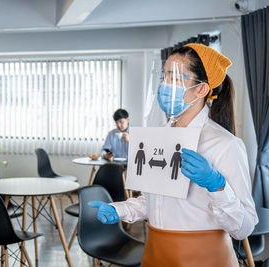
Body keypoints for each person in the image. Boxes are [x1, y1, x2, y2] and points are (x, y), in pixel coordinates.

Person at [89, 43, 258, 266]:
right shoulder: (159, 138)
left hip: (204, 258)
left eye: (176, 78)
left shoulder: (225, 144)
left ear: (201, 89)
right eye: (164, 77)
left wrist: (217, 185)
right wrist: (119, 209)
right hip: (157, 253)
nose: (165, 85)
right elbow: (155, 204)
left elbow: (244, 227)